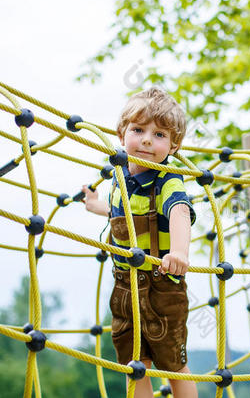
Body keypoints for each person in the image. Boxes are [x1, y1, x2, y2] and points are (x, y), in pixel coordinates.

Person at [82, 87, 198, 398]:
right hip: (125, 285)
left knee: (173, 361)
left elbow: (179, 212)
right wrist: (98, 207)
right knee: (134, 362)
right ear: (122, 134)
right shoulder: (119, 175)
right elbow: (126, 214)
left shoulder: (167, 178)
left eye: (159, 134)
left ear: (174, 146)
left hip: (163, 284)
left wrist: (179, 251)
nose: (147, 139)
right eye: (138, 130)